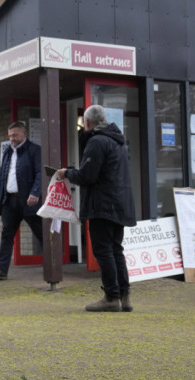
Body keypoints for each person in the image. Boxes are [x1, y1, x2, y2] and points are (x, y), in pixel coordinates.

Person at [56, 105, 136, 312]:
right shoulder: (118, 142)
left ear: (88, 123)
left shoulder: (97, 142)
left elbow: (87, 176)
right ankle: (124, 296)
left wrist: (68, 173)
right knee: (116, 250)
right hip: (119, 203)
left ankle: (111, 297)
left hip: (102, 204)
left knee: (104, 250)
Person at [0, 122, 43, 281]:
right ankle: (1, 270)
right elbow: (2, 177)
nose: (12, 138)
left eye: (15, 135)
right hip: (9, 201)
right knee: (6, 234)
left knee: (41, 234)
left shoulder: (34, 150)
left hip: (29, 200)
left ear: (24, 134)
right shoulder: (7, 152)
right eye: (10, 135)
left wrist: (35, 193)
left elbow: (40, 174)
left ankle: (54, 265)